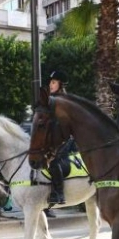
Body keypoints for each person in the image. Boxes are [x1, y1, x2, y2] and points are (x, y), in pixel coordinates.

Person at [44, 70, 71, 218]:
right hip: (51, 140)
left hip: (65, 141)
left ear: (60, 85)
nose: (50, 84)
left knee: (54, 162)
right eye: (50, 82)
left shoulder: (64, 101)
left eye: (53, 82)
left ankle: (59, 194)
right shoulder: (49, 100)